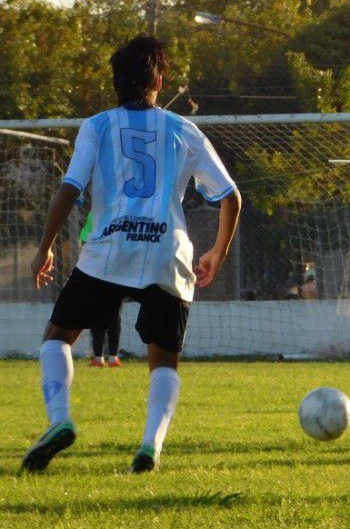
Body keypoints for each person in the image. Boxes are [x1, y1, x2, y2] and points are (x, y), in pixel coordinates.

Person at [23, 35, 242, 473]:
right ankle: (149, 447)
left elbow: (69, 188)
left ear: (116, 83)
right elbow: (231, 196)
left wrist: (44, 248)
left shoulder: (98, 126)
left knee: (57, 337)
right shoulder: (185, 129)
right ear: (159, 81)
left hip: (110, 247)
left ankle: (61, 420)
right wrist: (217, 251)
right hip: (167, 251)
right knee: (163, 358)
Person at [80, 211, 124, 368]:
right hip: (106, 272)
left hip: (105, 272)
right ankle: (104, 357)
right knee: (110, 316)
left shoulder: (96, 212)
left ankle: (107, 357)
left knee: (107, 316)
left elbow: (84, 240)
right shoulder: (98, 213)